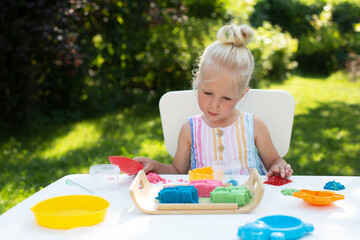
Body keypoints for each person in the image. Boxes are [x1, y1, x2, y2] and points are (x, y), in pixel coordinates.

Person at [135, 24, 293, 178]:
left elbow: (274, 161)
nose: (214, 104)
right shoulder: (190, 129)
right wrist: (155, 166)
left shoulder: (253, 125)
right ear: (198, 82)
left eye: (226, 98)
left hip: (250, 203)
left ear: (241, 95)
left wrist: (278, 166)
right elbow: (177, 172)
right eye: (208, 92)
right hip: (205, 204)